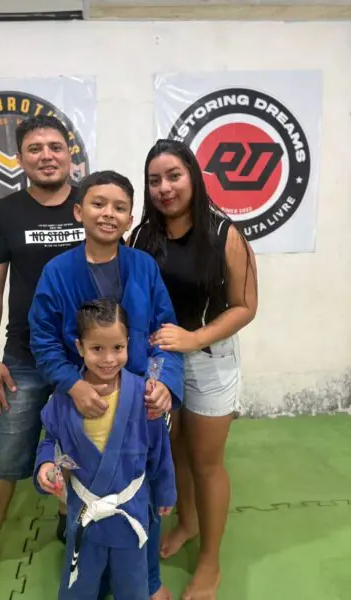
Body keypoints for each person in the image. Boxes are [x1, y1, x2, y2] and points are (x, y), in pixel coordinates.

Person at [28, 169, 184, 600]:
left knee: (143, 491)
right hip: (81, 397)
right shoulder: (58, 272)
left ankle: (147, 580)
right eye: (98, 204)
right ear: (79, 211)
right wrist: (72, 385)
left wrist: (162, 383)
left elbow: (165, 331)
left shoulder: (143, 267)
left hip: (138, 399)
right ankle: (88, 576)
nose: (108, 213)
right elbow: (43, 339)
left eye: (119, 207)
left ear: (130, 218)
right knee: (86, 490)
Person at [0, 115, 86, 600]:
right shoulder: (5, 213)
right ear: (20, 158)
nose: (46, 155)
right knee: (7, 456)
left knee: (85, 447)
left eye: (55, 146)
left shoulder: (90, 203)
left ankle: (72, 519)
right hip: (25, 356)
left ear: (70, 153)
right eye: (35, 148)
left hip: (86, 359)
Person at [129, 139, 258, 600]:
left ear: (193, 177)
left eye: (174, 176)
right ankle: (186, 523)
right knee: (175, 450)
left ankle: (210, 562)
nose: (164, 188)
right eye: (155, 180)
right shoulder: (142, 236)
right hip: (160, 360)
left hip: (208, 358)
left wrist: (194, 338)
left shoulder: (225, 234)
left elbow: (245, 306)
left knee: (206, 462)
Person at [34, 299, 176, 599]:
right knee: (81, 584)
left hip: (130, 511)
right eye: (97, 348)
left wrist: (165, 491)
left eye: (118, 348)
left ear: (128, 345)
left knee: (132, 584)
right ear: (80, 347)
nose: (109, 359)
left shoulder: (144, 395)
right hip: (85, 513)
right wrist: (47, 465)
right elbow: (52, 442)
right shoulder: (65, 397)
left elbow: (159, 450)